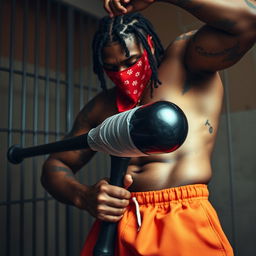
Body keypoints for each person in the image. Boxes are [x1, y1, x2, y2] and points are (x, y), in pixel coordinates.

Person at [41, 0, 256, 255]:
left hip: (181, 217)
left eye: (130, 61)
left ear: (151, 47)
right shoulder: (101, 106)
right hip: (116, 226)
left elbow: (249, 21)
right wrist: (83, 196)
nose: (122, 73)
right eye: (111, 67)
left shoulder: (185, 62)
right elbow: (55, 166)